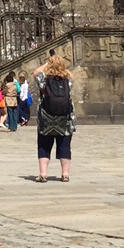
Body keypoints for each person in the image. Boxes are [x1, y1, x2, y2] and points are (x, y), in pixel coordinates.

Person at [36, 52, 75, 182]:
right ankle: (65, 174)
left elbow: (36, 72)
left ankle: (43, 174)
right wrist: (61, 67)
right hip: (64, 119)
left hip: (46, 118)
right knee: (64, 145)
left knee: (44, 145)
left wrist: (48, 64)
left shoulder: (44, 81)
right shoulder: (67, 81)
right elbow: (73, 77)